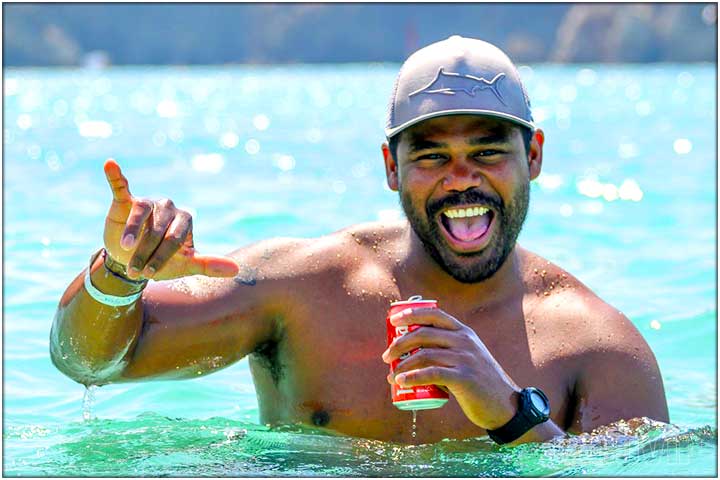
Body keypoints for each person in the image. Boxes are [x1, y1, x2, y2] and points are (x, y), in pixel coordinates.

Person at [50, 36, 668, 445]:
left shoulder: (597, 345)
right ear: (391, 167)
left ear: (532, 156)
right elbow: (89, 363)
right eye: (431, 156)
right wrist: (119, 277)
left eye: (486, 151)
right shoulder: (301, 288)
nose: (461, 179)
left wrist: (511, 411)